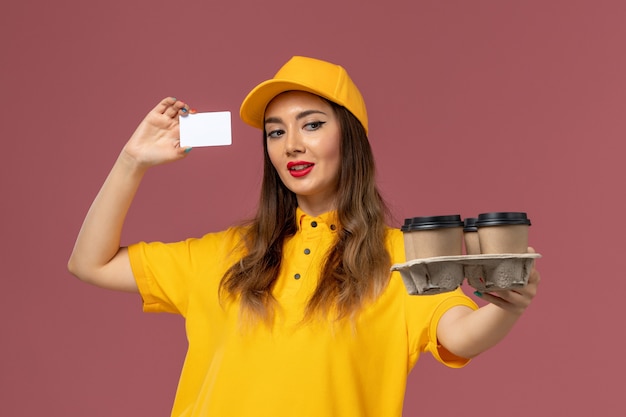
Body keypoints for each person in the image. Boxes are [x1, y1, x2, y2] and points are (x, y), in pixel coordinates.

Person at [68, 56, 540, 417]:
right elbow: (90, 263)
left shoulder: (398, 255)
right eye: (276, 133)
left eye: (312, 125)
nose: (292, 143)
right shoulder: (228, 252)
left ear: (349, 137)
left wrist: (505, 306)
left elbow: (460, 334)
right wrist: (132, 161)